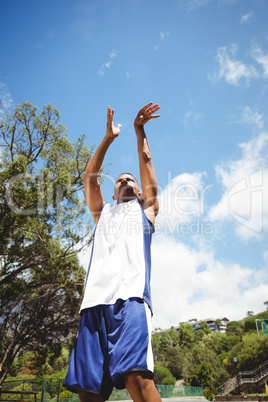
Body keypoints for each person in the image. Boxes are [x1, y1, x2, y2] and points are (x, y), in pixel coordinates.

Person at [64, 102, 162, 402]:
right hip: (94, 304)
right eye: (120, 179)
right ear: (114, 190)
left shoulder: (147, 210)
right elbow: (89, 177)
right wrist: (108, 138)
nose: (125, 180)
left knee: (137, 378)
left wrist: (138, 129)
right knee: (88, 391)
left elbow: (145, 158)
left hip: (130, 299)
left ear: (140, 190)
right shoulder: (102, 212)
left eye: (131, 179)